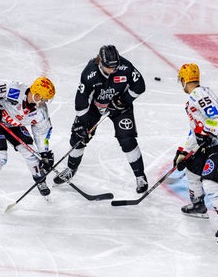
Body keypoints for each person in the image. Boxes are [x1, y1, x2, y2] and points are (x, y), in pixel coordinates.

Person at [54, 45, 148, 193]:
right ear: (100, 63)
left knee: (127, 139)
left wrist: (123, 101)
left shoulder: (125, 66)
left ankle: (140, 176)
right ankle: (71, 169)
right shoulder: (89, 73)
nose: (114, 70)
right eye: (109, 67)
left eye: (115, 66)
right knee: (78, 138)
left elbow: (140, 85)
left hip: (120, 107)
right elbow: (81, 101)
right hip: (95, 107)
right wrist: (83, 125)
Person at [172, 63, 218, 243]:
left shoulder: (199, 94)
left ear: (183, 80)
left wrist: (207, 134)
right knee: (192, 168)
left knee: (211, 184)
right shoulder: (197, 96)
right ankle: (198, 205)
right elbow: (196, 129)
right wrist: (184, 152)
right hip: (213, 140)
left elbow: (216, 116)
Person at [0, 77, 56, 210]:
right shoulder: (15, 90)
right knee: (0, 156)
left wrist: (44, 153)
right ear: (36, 95)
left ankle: (40, 180)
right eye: (44, 99)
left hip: (13, 125)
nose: (44, 102)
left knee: (32, 154)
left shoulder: (40, 112)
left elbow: (41, 132)